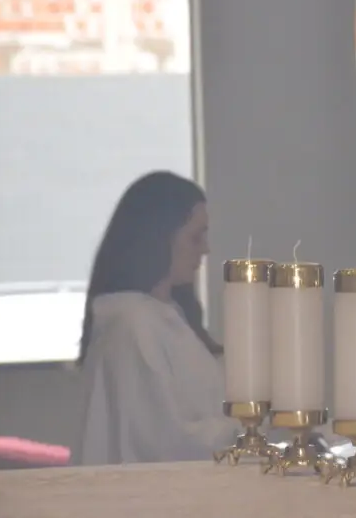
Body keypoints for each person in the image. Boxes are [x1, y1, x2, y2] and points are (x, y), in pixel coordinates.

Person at [74, 171, 236, 465]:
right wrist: (247, 429)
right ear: (159, 236)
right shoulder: (131, 324)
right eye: (195, 236)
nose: (206, 249)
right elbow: (164, 442)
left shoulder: (170, 317)